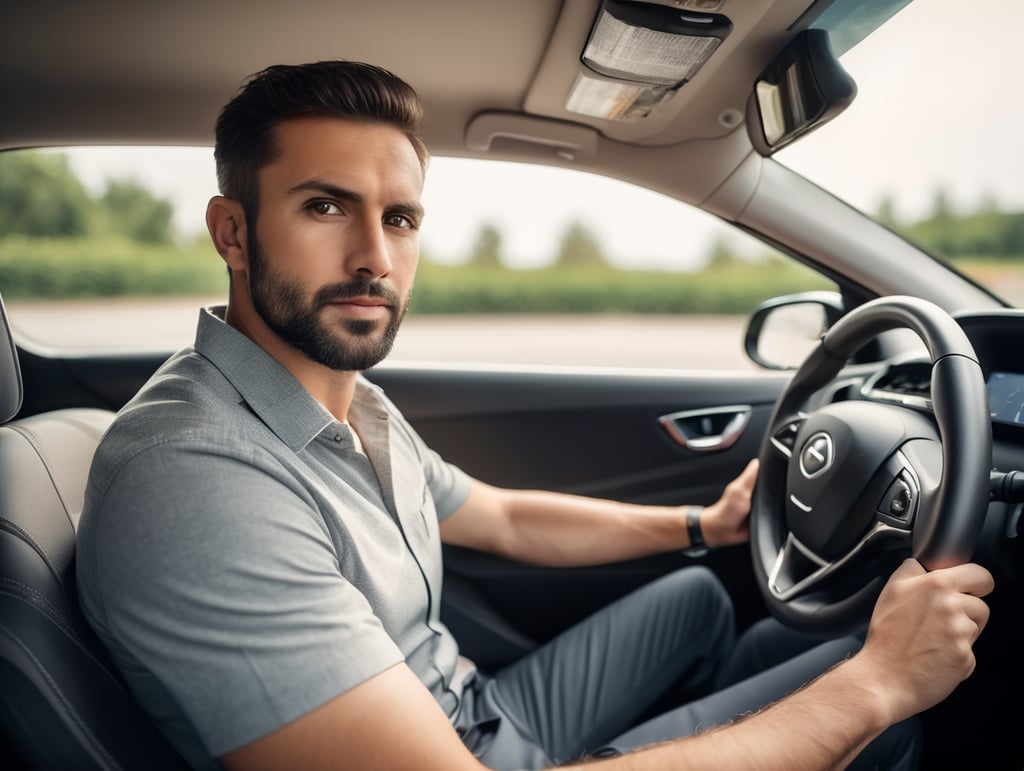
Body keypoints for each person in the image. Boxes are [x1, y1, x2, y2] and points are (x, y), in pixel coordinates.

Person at [76, 60, 993, 771]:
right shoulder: (195, 477)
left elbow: (506, 517)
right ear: (232, 231)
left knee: (700, 604)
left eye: (400, 219)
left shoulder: (347, 399)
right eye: (325, 206)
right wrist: (875, 685)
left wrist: (697, 522)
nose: (373, 259)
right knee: (883, 721)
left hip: (475, 711)